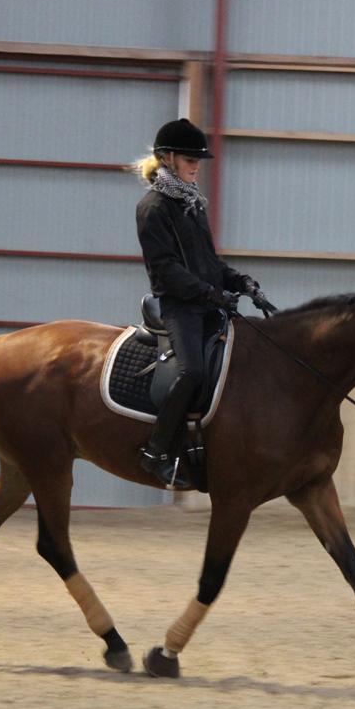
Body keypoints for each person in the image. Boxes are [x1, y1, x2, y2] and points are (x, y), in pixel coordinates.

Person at [134, 118, 260, 489]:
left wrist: (240, 282)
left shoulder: (192, 204)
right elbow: (166, 271)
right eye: (191, 159)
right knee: (193, 372)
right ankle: (156, 451)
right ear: (168, 159)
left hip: (207, 304)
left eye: (198, 159)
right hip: (179, 307)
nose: (197, 165)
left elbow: (209, 263)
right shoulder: (153, 208)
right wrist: (210, 293)